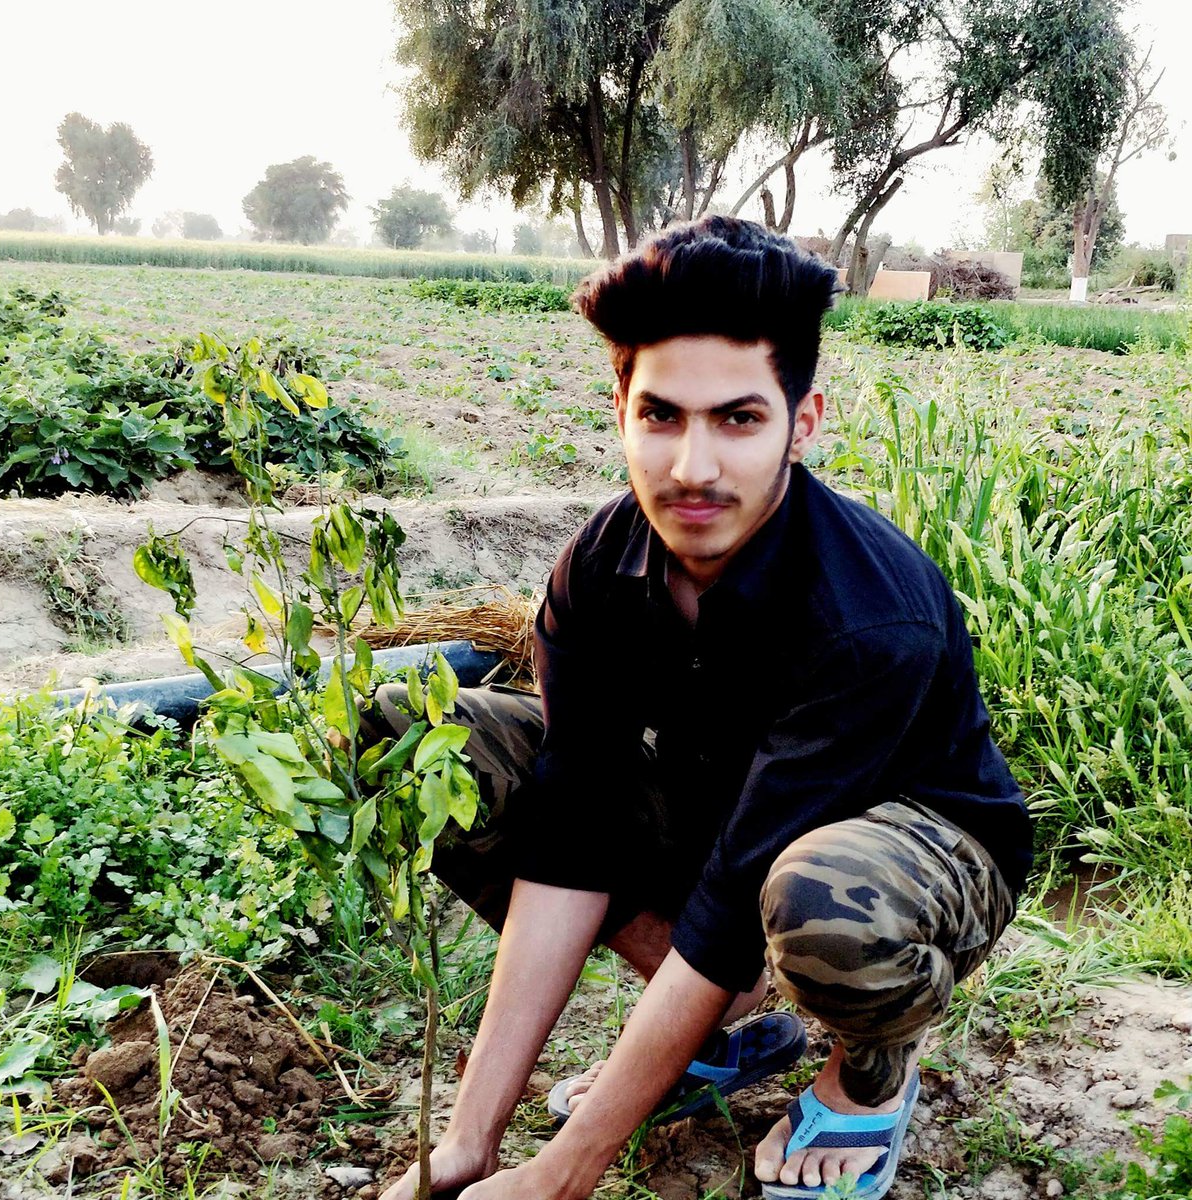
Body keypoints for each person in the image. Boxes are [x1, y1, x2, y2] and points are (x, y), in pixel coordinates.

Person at [375, 216, 1032, 1200]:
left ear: (802, 423)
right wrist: (471, 1142)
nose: (691, 469)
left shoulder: (866, 618)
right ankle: (724, 1019)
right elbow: (574, 825)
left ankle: (868, 1075)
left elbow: (737, 899)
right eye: (663, 416)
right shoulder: (599, 569)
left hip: (913, 855)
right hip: (729, 821)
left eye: (737, 419)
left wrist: (562, 1172)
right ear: (621, 410)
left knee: (817, 904)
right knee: (421, 739)